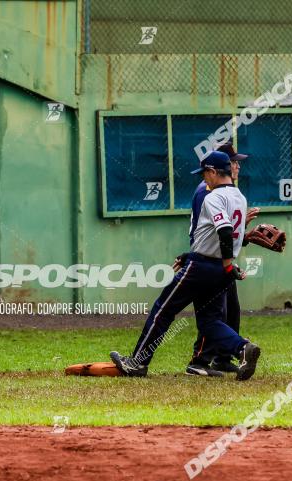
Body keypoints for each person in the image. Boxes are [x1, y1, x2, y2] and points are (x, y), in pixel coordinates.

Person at [109, 150, 261, 381]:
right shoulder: (239, 197)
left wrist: (228, 262)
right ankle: (242, 348)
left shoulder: (213, 197)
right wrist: (227, 264)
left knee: (163, 310)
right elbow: (222, 234)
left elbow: (225, 230)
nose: (204, 178)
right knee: (210, 322)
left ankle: (138, 363)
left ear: (213, 171)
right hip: (219, 270)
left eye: (205, 173)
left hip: (202, 266)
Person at [186, 143, 258, 376]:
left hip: (222, 258)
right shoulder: (206, 191)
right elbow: (205, 231)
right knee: (212, 313)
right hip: (208, 260)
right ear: (218, 168)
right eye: (233, 161)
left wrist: (244, 234)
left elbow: (227, 229)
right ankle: (200, 360)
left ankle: (223, 358)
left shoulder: (229, 192)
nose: (236, 165)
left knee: (231, 310)